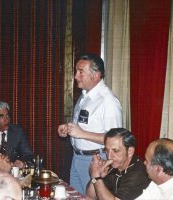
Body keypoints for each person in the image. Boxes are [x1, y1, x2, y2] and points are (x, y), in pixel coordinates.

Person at [58, 53, 122, 194]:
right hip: (77, 158)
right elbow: (84, 124)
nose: (75, 76)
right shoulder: (85, 95)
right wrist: (68, 128)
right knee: (77, 196)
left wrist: (82, 134)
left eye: (81, 72)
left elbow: (116, 140)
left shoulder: (108, 101)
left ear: (96, 75)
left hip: (95, 161)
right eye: (76, 71)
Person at [86, 128, 150, 200]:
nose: (109, 156)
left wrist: (96, 177)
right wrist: (97, 174)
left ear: (130, 152)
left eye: (115, 150)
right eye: (106, 150)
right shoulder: (114, 165)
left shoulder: (138, 174)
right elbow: (90, 197)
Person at [0, 101, 34, 168]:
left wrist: (23, 162)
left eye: (7, 115)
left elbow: (28, 155)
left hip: (10, 173)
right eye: (1, 116)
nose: (6, 120)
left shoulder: (17, 132)